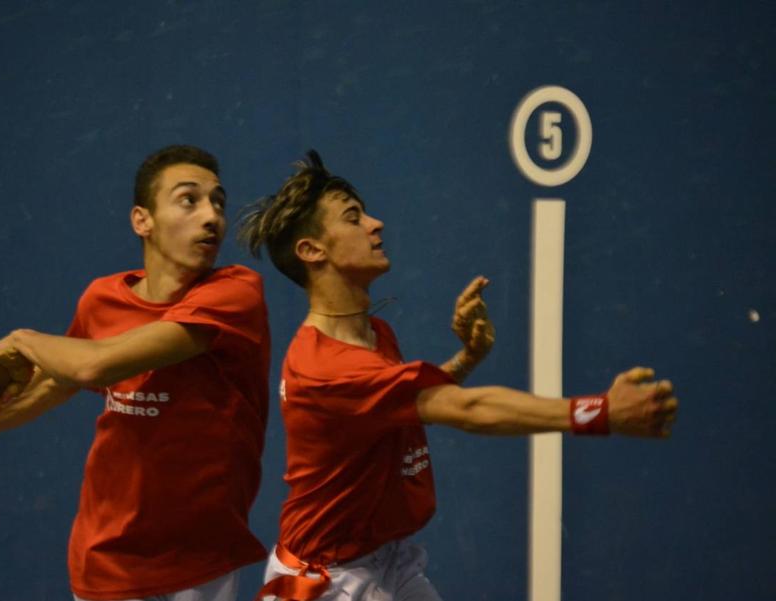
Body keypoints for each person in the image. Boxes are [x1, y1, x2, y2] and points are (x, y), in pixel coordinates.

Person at [237, 150, 679, 601]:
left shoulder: (373, 334)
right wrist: (599, 413)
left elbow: (397, 409)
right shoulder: (327, 367)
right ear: (312, 250)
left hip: (384, 561)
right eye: (354, 218)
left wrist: (466, 359)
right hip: (326, 584)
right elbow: (466, 408)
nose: (375, 224)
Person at [0, 145, 271, 601]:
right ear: (141, 220)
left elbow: (94, 362)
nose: (211, 217)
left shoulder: (235, 293)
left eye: (218, 202)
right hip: (105, 556)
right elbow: (55, 383)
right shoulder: (102, 299)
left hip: (200, 562)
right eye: (190, 200)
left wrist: (22, 340)